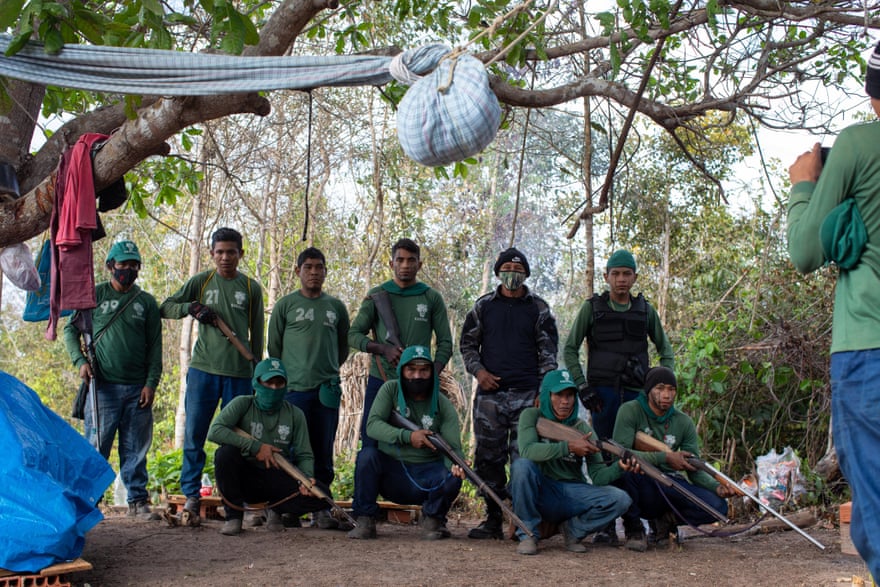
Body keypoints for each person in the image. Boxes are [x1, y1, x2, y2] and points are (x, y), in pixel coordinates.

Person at [786, 41, 880, 580]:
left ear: (871, 94)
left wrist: (804, 185)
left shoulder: (859, 144)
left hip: (868, 352)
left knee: (873, 511)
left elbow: (805, 251)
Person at [160, 227, 264, 517]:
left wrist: (258, 372)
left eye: (231, 252)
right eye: (219, 252)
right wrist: (192, 308)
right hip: (203, 371)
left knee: (239, 439)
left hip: (240, 373)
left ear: (241, 254)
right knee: (195, 434)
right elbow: (166, 307)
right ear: (211, 254)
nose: (225, 257)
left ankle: (237, 499)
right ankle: (192, 495)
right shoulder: (201, 281)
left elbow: (258, 333)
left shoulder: (250, 288)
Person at [459, 247, 559, 539]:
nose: (512, 275)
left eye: (518, 271)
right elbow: (467, 346)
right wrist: (479, 372)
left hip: (528, 397)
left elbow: (549, 353)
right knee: (488, 458)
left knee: (523, 461)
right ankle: (492, 519)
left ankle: (521, 522)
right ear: (498, 273)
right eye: (507, 270)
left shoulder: (538, 309)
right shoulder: (483, 307)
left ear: (526, 274)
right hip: (490, 398)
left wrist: (544, 389)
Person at [63, 240, 162, 518]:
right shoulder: (93, 296)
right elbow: (70, 331)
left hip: (137, 388)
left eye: (134, 265)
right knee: (96, 447)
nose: (128, 270)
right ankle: (88, 503)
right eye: (123, 264)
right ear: (110, 266)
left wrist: (151, 383)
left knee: (136, 449)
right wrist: (79, 361)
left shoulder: (146, 303)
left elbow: (155, 348)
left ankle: (138, 501)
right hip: (102, 388)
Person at [267, 247, 350, 530]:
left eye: (319, 267)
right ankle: (287, 509)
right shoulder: (285, 305)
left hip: (326, 389)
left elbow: (342, 349)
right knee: (289, 450)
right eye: (309, 267)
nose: (314, 272)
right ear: (298, 271)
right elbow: (274, 348)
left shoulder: (335, 307)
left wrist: (325, 369)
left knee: (322, 451)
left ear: (326, 271)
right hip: (293, 391)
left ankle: (320, 508)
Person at [347, 345, 465, 540]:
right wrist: (408, 436)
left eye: (423, 370)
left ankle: (433, 519)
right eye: (411, 370)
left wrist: (458, 466)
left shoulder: (442, 403)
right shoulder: (390, 389)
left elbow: (453, 448)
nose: (417, 376)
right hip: (391, 474)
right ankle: (365, 518)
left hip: (428, 476)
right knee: (367, 456)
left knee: (454, 476)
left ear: (431, 372)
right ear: (401, 371)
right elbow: (372, 426)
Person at [511, 368, 635, 555]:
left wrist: (619, 467)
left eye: (570, 395)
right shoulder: (532, 416)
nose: (565, 401)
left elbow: (598, 477)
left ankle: (573, 531)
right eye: (558, 395)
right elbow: (527, 450)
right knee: (521, 466)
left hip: (572, 493)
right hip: (542, 491)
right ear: (547, 395)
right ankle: (527, 533)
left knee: (620, 499)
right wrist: (568, 447)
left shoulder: (582, 427)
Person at [612, 366, 735, 551]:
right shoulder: (630, 410)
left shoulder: (683, 422)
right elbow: (621, 453)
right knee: (625, 472)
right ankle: (634, 528)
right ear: (648, 390)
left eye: (671, 389)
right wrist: (666, 457)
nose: (667, 394)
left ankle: (666, 521)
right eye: (660, 388)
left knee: (717, 507)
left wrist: (717, 487)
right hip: (642, 480)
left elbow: (694, 469)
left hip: (670, 483)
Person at [348, 238, 453, 449]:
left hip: (419, 385)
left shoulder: (431, 297)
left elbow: (445, 343)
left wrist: (431, 372)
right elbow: (353, 334)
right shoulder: (376, 296)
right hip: (381, 379)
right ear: (391, 263)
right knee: (371, 444)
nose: (405, 265)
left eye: (411, 260)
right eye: (400, 260)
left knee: (425, 443)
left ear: (420, 265)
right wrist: (383, 349)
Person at [207, 358, 327, 536]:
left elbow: (305, 454)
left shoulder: (295, 414)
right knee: (225, 454)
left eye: (279, 383)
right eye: (269, 382)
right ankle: (234, 517)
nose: (274, 388)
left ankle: (276, 511)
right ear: (257, 383)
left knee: (323, 496)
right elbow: (214, 432)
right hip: (245, 476)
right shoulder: (243, 404)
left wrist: (306, 479)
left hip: (276, 475)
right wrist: (256, 447)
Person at [563, 249, 675, 442]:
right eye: (615, 274)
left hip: (637, 394)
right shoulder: (592, 308)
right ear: (606, 277)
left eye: (626, 274)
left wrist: (663, 386)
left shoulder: (646, 311)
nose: (621, 279)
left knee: (637, 451)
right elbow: (570, 348)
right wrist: (582, 387)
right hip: (602, 396)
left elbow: (665, 350)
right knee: (605, 449)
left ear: (635, 277)